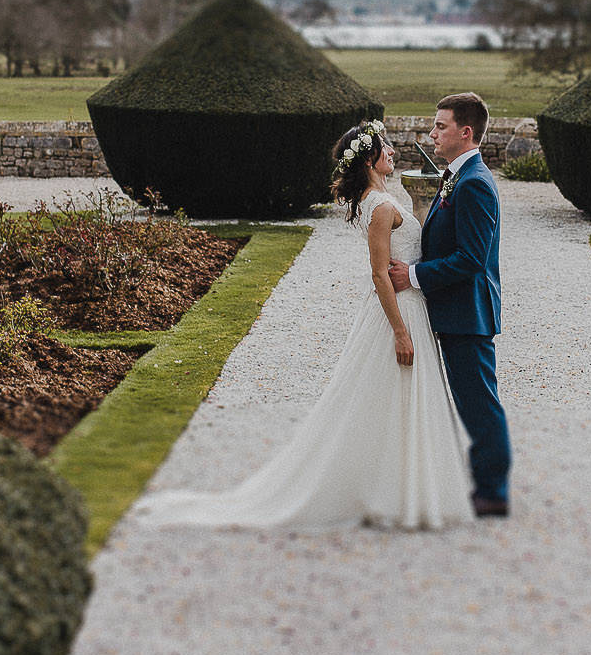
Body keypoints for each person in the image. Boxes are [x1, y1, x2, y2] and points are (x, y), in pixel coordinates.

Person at [131, 120, 477, 531]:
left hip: (410, 304)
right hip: (397, 312)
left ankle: (401, 490)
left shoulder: (383, 197)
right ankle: (390, 493)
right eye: (383, 148)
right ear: (369, 159)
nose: (390, 152)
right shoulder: (380, 207)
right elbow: (380, 273)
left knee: (396, 400)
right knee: (392, 395)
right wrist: (400, 331)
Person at [388, 92, 511, 518]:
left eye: (440, 126)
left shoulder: (474, 182)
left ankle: (493, 493)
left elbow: (473, 259)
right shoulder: (456, 175)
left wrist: (414, 276)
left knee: (479, 406)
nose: (431, 134)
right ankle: (480, 484)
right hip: (456, 312)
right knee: (472, 402)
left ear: (466, 132)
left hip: (468, 314)